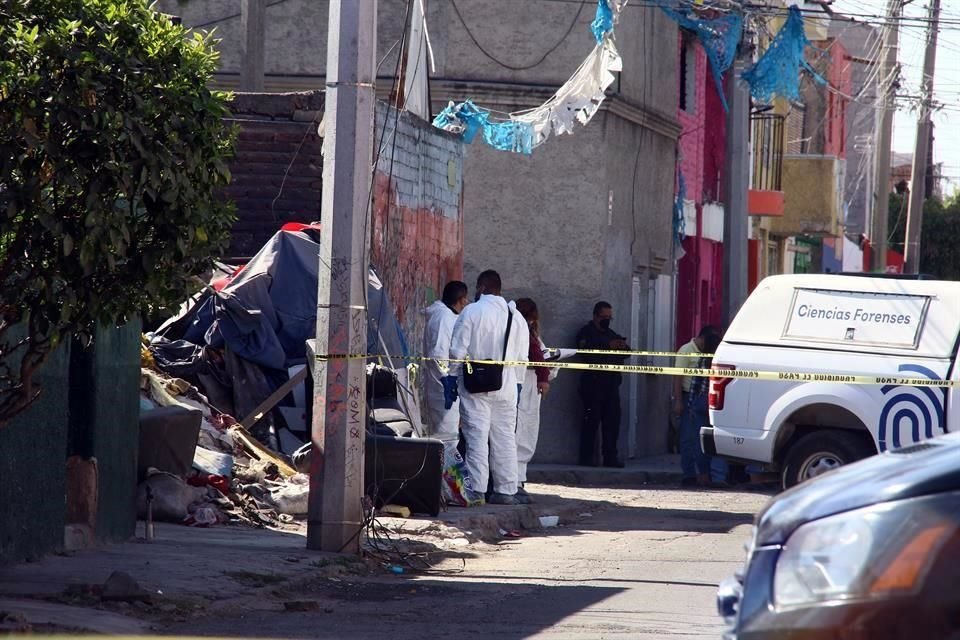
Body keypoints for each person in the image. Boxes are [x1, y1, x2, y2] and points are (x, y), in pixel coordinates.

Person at [446, 270, 529, 506]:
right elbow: (523, 357)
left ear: (481, 287)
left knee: (477, 437)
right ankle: (505, 490)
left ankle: (477, 490)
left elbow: (457, 350)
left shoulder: (473, 311)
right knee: (505, 437)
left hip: (477, 385)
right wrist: (519, 385)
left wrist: (451, 378)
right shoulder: (517, 317)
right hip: (508, 385)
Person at [673, 325, 729, 487]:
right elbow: (678, 377)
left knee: (699, 441)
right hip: (694, 399)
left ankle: (703, 475)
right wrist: (678, 401)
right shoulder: (686, 350)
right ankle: (691, 475)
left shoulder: (704, 359)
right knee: (690, 439)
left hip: (696, 401)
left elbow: (697, 384)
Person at [576, 301, 630, 468]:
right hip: (592, 385)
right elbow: (586, 353)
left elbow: (626, 351)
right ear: (595, 316)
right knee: (591, 422)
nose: (606, 320)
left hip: (611, 385)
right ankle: (586, 458)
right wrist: (607, 346)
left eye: (609, 317)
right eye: (603, 317)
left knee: (612, 422)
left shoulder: (610, 333)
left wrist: (620, 346)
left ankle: (610, 457)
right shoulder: (586, 333)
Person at [514, 298, 553, 503]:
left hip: (520, 387)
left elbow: (541, 355)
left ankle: (515, 480)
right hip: (525, 388)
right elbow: (539, 356)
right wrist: (544, 377)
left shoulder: (519, 330)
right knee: (521, 434)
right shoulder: (525, 333)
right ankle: (515, 481)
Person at [422, 281, 469, 448]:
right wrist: (446, 379)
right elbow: (438, 354)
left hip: (444, 387)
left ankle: (447, 473)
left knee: (448, 437)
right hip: (442, 389)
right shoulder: (443, 318)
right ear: (462, 300)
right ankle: (446, 474)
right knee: (447, 440)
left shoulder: (446, 317)